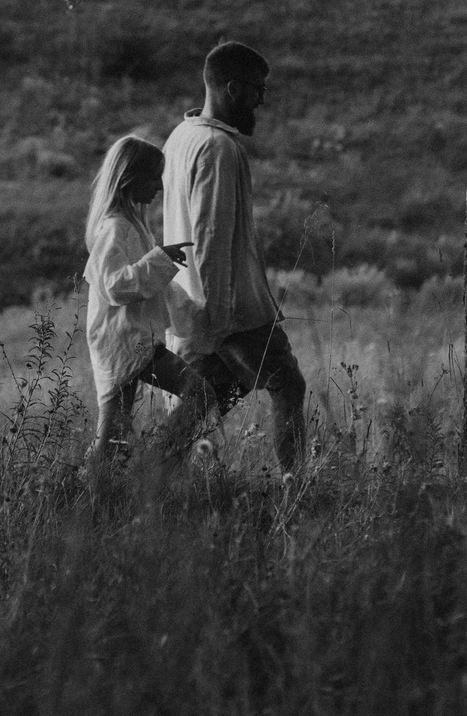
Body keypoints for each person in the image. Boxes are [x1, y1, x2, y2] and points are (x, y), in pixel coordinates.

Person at [152, 40, 308, 476]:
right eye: (258, 89)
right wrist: (216, 318)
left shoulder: (181, 137)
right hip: (232, 308)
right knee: (287, 385)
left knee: (212, 396)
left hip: (194, 302)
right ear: (233, 89)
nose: (262, 99)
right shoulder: (220, 149)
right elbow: (210, 237)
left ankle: (151, 476)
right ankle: (294, 486)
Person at [80, 134, 192, 463]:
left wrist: (193, 311)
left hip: (133, 338)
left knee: (114, 434)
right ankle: (155, 464)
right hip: (126, 341)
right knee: (198, 392)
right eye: (154, 177)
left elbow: (152, 287)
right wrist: (159, 259)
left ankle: (90, 496)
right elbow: (115, 286)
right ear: (130, 178)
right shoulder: (115, 228)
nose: (159, 187)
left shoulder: (133, 226)